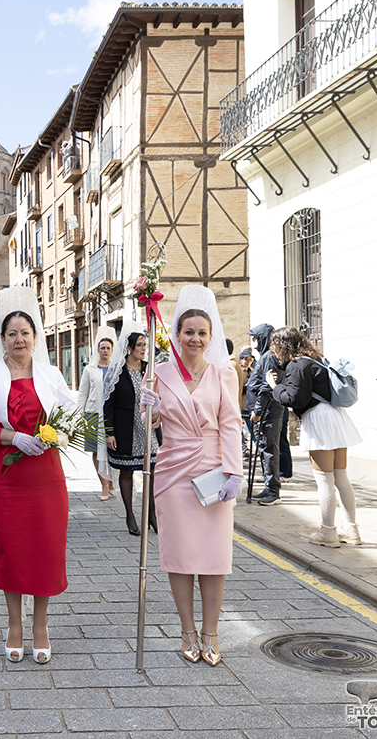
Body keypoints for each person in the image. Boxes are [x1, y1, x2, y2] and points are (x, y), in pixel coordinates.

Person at [0, 287, 79, 665]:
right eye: (12, 333)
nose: (19, 339)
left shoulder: (51, 374)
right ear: (2, 340)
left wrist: (54, 435)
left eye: (25, 333)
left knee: (46, 550)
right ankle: (14, 626)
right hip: (7, 476)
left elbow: (73, 415)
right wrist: (13, 436)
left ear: (36, 338)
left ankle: (41, 625)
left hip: (46, 476)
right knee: (12, 551)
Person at [143, 286, 243, 667]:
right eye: (188, 332)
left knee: (215, 558)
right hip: (172, 474)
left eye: (202, 333)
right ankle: (186, 631)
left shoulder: (224, 374)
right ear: (177, 335)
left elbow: (231, 425)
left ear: (211, 336)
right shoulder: (159, 372)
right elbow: (150, 425)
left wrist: (234, 472)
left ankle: (211, 633)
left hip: (215, 474)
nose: (195, 339)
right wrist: (148, 407)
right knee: (181, 557)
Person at [266, 327, 362, 547]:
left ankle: (328, 532)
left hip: (319, 420)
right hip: (335, 416)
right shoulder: (315, 359)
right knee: (341, 478)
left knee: (324, 479)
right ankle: (352, 530)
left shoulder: (297, 364)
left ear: (284, 344)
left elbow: (295, 398)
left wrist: (274, 386)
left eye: (275, 345)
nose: (273, 350)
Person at [102, 323, 158, 536]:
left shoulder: (148, 370)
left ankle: (152, 514)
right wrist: (109, 432)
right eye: (140, 345)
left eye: (145, 345)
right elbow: (107, 404)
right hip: (124, 428)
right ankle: (130, 515)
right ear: (129, 348)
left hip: (147, 428)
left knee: (151, 471)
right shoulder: (117, 372)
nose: (144, 349)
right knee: (126, 471)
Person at [247, 324, 284, 506]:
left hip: (267, 412)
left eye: (254, 338)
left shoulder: (269, 357)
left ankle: (273, 491)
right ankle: (269, 487)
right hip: (264, 412)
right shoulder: (264, 356)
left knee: (269, 450)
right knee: (264, 450)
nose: (252, 342)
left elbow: (266, 387)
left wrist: (258, 411)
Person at [77, 327, 116, 500]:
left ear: (112, 350)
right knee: (96, 451)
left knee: (112, 450)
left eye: (108, 348)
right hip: (93, 414)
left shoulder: (116, 370)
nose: (105, 351)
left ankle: (113, 481)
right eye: (102, 348)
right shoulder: (89, 369)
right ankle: (104, 485)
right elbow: (83, 393)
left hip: (112, 415)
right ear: (98, 350)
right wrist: (78, 417)